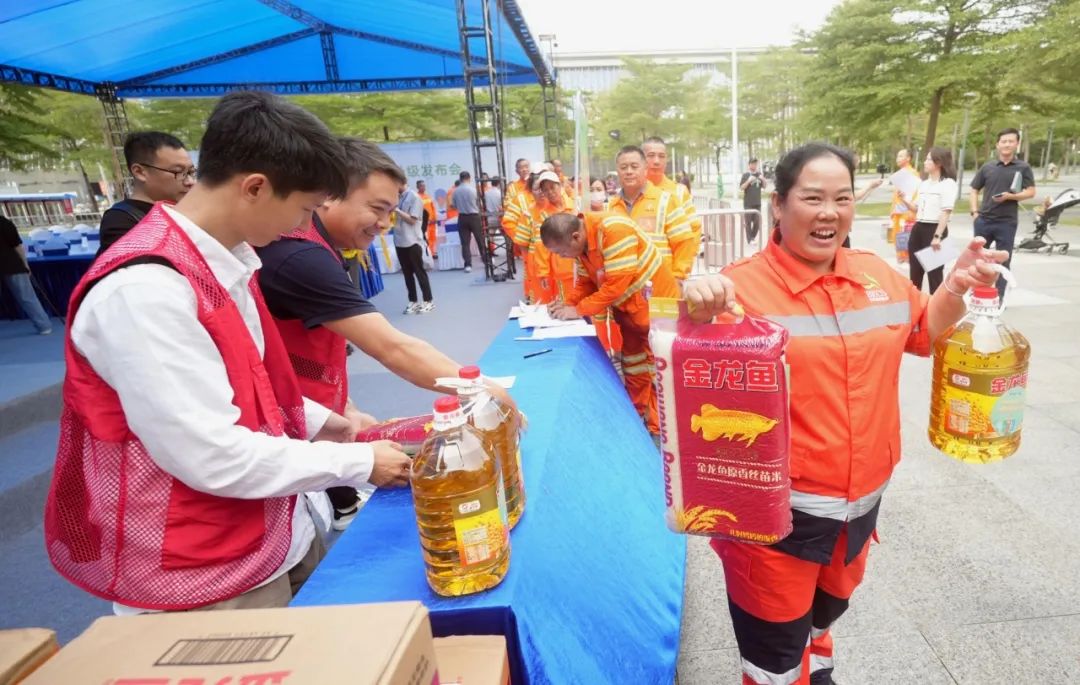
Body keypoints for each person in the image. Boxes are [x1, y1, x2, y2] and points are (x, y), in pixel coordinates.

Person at [46, 91, 414, 614]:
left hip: (271, 532)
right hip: (201, 567)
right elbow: (210, 454)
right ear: (255, 187)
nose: (302, 227)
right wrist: (358, 462)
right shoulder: (146, 290)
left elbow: (244, 384)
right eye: (304, 209)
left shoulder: (226, 262)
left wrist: (322, 421)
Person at [699, 143, 1006, 685]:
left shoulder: (875, 274)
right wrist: (694, 309)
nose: (829, 212)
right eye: (812, 198)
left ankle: (818, 670)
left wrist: (956, 287)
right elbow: (687, 370)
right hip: (775, 521)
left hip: (858, 507)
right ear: (778, 204)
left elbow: (923, 333)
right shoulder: (738, 289)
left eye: (842, 198)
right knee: (774, 653)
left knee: (824, 614)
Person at [258, 138, 514, 529]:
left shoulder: (315, 249)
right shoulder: (300, 257)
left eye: (390, 212)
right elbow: (392, 347)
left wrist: (343, 406)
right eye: (377, 209)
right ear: (328, 195)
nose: (384, 224)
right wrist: (480, 388)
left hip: (308, 417)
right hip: (279, 439)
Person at [96, 132, 196, 257]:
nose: (190, 182)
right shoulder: (120, 222)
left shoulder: (181, 211)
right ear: (140, 172)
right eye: (178, 172)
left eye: (191, 172)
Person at [608, 145, 698, 281]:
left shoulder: (666, 201)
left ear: (645, 169)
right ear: (617, 171)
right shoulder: (612, 207)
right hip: (624, 287)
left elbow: (684, 242)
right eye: (623, 167)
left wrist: (678, 277)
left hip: (660, 285)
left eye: (634, 166)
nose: (629, 171)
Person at [969, 127, 1037, 298]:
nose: (1007, 144)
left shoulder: (1023, 167)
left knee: (1003, 261)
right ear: (997, 145)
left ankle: (998, 298)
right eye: (1003, 141)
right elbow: (974, 189)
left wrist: (1011, 197)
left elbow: (1031, 192)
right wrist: (974, 213)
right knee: (978, 259)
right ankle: (976, 295)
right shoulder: (988, 167)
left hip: (1006, 222)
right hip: (984, 220)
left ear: (1017, 144)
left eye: (1011, 141)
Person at [896, 147, 959, 294]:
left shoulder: (948, 184)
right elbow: (916, 208)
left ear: (939, 163)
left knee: (934, 275)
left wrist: (937, 236)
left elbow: (946, 212)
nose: (925, 162)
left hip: (935, 229)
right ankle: (916, 303)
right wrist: (904, 199)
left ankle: (936, 305)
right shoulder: (924, 184)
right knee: (915, 272)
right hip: (918, 228)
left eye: (929, 159)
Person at [0, 213, 52, 334]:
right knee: (27, 297)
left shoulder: (4, 223)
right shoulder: (5, 223)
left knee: (27, 296)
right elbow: (17, 246)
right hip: (12, 264)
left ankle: (44, 325)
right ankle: (44, 326)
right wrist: (25, 264)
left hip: (12, 264)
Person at [643, 136, 702, 236]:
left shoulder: (680, 191)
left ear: (666, 159)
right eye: (651, 155)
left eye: (661, 156)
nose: (656, 161)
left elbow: (694, 229)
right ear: (641, 159)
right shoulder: (632, 191)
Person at [391, 182, 434, 314]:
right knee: (407, 273)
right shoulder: (397, 197)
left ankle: (428, 300)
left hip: (412, 240)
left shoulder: (414, 197)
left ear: (401, 182)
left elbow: (412, 220)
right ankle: (413, 301)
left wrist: (396, 210)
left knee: (419, 271)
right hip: (399, 240)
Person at [450, 171, 486, 273]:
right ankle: (485, 261)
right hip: (474, 217)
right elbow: (480, 204)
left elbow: (454, 206)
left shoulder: (455, 191)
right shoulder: (474, 190)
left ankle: (468, 265)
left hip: (462, 217)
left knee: (465, 243)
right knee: (480, 240)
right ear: (469, 178)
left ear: (460, 179)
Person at [888, 149, 920, 246]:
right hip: (898, 214)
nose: (898, 159)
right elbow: (897, 197)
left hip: (906, 215)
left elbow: (913, 196)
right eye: (897, 156)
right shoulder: (901, 173)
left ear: (908, 158)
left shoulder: (912, 173)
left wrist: (909, 212)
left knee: (905, 247)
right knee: (900, 245)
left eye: (901, 156)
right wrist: (893, 210)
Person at [740, 157, 768, 242]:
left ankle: (752, 237)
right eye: (752, 163)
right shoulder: (746, 175)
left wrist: (763, 179)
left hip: (757, 202)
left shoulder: (759, 174)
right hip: (748, 203)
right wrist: (748, 181)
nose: (754, 165)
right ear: (749, 165)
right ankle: (750, 239)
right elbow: (742, 187)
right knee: (748, 222)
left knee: (757, 222)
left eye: (755, 164)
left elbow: (764, 186)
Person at [417, 180, 438, 258]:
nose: (423, 187)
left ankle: (432, 253)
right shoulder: (417, 197)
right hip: (425, 223)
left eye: (424, 186)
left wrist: (434, 218)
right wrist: (425, 221)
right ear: (418, 187)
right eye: (421, 186)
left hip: (432, 222)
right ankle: (428, 254)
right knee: (426, 238)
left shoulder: (428, 196)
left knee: (433, 237)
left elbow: (433, 208)